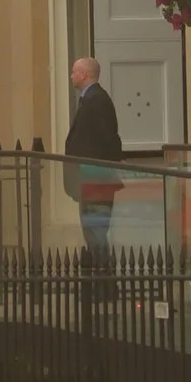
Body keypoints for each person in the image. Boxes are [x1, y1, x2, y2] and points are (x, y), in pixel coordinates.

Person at [63, 56, 125, 255]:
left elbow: (108, 141)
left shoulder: (96, 100)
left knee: (96, 231)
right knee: (91, 230)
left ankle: (102, 277)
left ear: (84, 74)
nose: (71, 75)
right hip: (90, 178)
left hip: (96, 179)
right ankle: (98, 275)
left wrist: (97, 174)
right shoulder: (91, 99)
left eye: (74, 71)